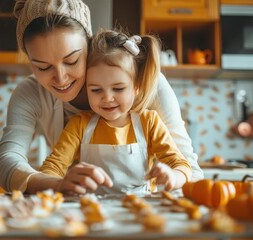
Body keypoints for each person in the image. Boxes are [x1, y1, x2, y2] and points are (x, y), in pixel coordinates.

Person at [0, 0, 203, 194]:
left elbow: (187, 166)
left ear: (89, 46)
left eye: (72, 60)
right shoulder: (32, 94)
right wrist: (57, 184)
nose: (60, 78)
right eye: (43, 67)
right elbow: (9, 160)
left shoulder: (147, 81)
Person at [38, 29, 192, 194]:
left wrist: (173, 177)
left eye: (118, 89)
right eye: (96, 90)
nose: (107, 98)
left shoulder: (149, 122)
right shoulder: (79, 124)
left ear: (136, 87)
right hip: (92, 209)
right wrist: (58, 183)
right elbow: (53, 167)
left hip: (139, 209)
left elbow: (181, 165)